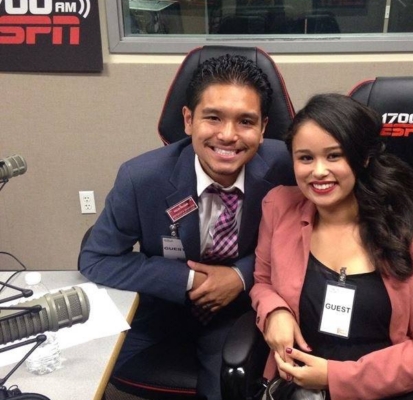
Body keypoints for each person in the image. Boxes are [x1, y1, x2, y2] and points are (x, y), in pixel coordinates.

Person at [79, 54, 295, 400]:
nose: (228, 135)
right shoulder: (141, 178)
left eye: (245, 121)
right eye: (213, 117)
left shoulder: (288, 167)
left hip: (238, 311)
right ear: (188, 120)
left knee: (226, 387)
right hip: (161, 304)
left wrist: (239, 276)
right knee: (82, 367)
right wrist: (190, 280)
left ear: (263, 127)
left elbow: (307, 242)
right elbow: (97, 258)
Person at [250, 93, 413, 400]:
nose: (318, 171)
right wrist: (274, 311)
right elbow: (263, 282)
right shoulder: (279, 207)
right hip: (308, 383)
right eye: (305, 158)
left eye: (334, 156)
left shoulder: (410, 227)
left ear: (363, 159)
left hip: (405, 383)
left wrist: (334, 377)